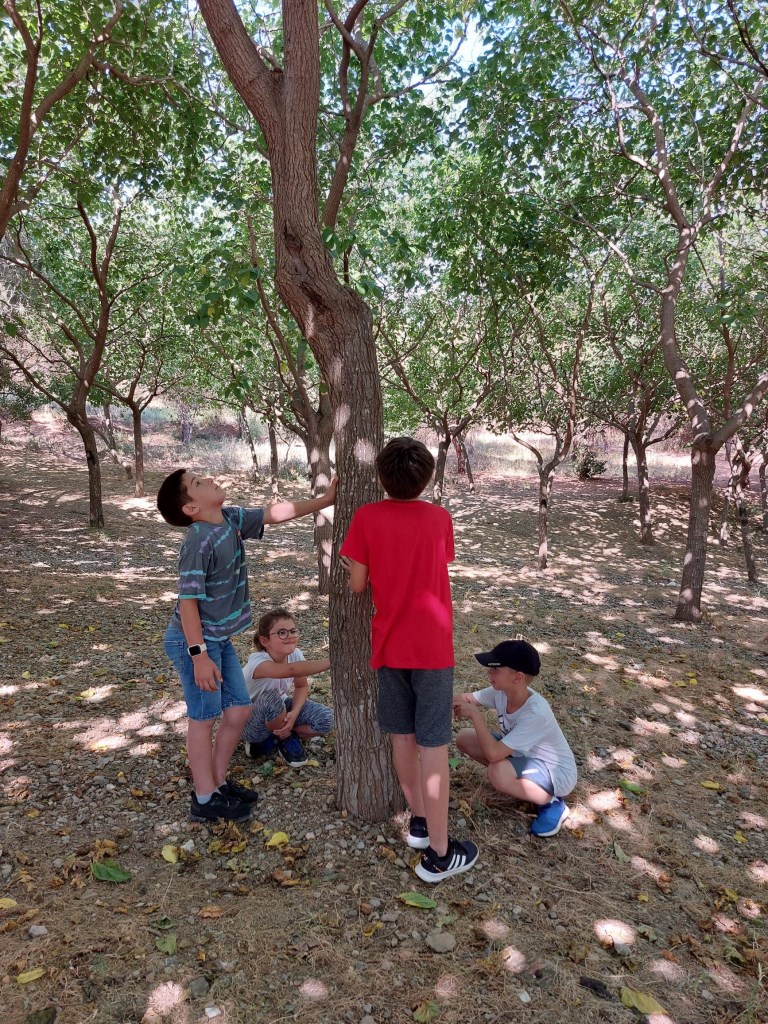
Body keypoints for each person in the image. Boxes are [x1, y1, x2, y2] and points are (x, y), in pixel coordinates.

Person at [157, 468, 336, 823]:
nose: (208, 480)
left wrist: (325, 501)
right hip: (194, 642)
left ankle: (219, 783)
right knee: (203, 718)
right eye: (197, 483)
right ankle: (204, 798)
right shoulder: (197, 539)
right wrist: (199, 656)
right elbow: (188, 602)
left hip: (217, 639)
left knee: (238, 711)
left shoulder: (230, 518)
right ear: (191, 508)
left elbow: (276, 512)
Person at [340, 436, 478, 883]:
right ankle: (439, 854)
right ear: (428, 477)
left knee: (402, 737)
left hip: (389, 645)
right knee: (432, 746)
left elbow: (358, 585)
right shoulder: (439, 518)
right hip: (432, 647)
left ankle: (419, 821)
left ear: (380, 477)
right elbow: (440, 559)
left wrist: (353, 565)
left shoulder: (366, 516)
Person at [453, 639, 577, 837]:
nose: (489, 673)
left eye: (495, 669)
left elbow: (493, 755)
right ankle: (523, 785)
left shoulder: (535, 712)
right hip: (525, 756)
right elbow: (466, 698)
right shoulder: (502, 692)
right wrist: (432, 701)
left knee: (498, 771)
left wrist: (475, 715)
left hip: (556, 773)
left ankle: (551, 802)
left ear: (517, 678)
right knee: (464, 738)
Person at [241, 609, 334, 768]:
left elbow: (301, 685)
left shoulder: (295, 654)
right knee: (271, 699)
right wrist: (334, 660)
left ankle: (278, 737)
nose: (290, 636)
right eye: (282, 633)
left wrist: (294, 713)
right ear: (265, 641)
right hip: (250, 720)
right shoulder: (258, 662)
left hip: (280, 709)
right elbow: (292, 670)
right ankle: (282, 739)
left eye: (293, 631)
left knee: (327, 719)